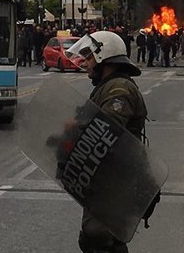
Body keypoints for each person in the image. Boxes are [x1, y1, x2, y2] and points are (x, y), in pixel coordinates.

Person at [68, 30, 148, 253]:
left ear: (104, 58)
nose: (85, 63)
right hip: (105, 176)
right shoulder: (107, 87)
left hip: (116, 178)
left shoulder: (119, 89)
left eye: (90, 57)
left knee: (99, 237)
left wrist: (75, 130)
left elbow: (107, 127)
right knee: (105, 239)